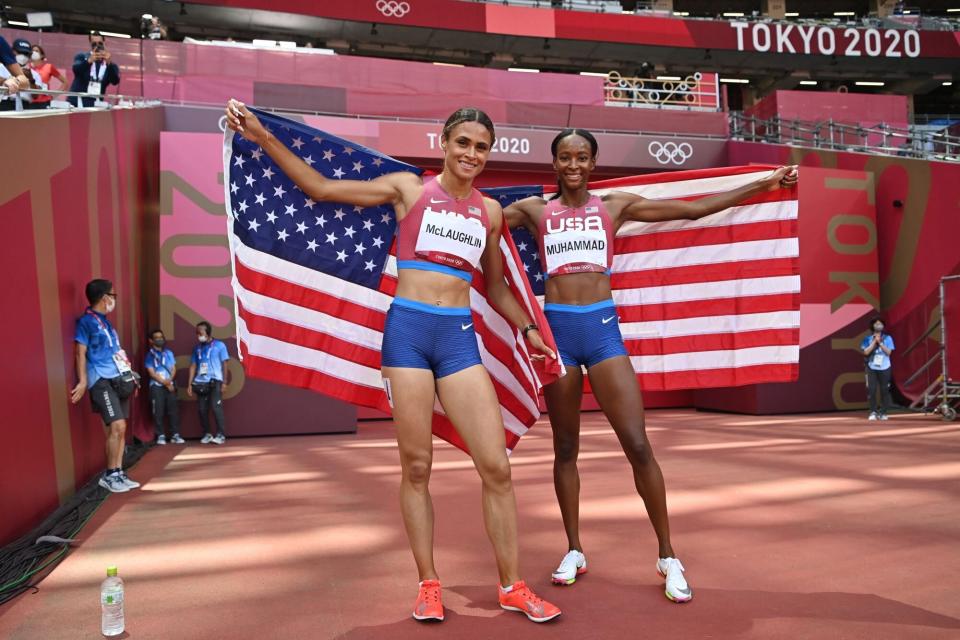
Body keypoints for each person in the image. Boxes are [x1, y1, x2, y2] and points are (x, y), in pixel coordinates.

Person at [225, 99, 563, 623]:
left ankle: (511, 585)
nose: (471, 154)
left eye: (481, 147)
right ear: (444, 144)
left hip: (457, 339)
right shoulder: (410, 190)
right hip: (406, 334)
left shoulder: (490, 212)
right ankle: (429, 583)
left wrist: (528, 330)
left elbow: (495, 285)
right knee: (417, 465)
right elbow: (321, 188)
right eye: (463, 143)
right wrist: (264, 135)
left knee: (495, 466)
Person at [504, 128, 798, 603]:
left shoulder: (614, 207)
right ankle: (575, 549)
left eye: (581, 157)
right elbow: (472, 217)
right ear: (554, 163)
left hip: (601, 332)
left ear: (593, 163)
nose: (573, 165)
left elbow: (694, 209)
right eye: (565, 157)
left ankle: (668, 555)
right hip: (557, 335)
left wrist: (762, 186)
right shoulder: (534, 211)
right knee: (564, 448)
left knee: (638, 445)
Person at [69, 279, 142, 493]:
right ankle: (109, 475)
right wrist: (83, 381)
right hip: (100, 379)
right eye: (113, 295)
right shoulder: (86, 322)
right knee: (117, 426)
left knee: (121, 428)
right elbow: (79, 352)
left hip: (117, 379)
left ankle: (118, 472)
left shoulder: (106, 323)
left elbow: (116, 353)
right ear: (104, 298)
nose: (114, 299)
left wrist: (130, 374)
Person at [187, 321, 230, 445]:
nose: (198, 335)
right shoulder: (197, 348)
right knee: (201, 409)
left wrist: (224, 382)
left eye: (200, 333)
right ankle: (207, 433)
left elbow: (225, 364)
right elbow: (193, 365)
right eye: (197, 333)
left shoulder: (220, 345)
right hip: (201, 382)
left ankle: (221, 434)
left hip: (215, 381)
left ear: (208, 332)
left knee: (216, 408)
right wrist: (190, 383)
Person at [145, 328, 184, 445]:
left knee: (173, 410)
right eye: (156, 338)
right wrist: (165, 383)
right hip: (157, 386)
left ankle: (175, 434)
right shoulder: (149, 355)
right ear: (151, 340)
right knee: (158, 411)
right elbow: (151, 373)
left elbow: (173, 368)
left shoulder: (169, 353)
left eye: (161, 337)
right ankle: (160, 435)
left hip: (169, 384)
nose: (160, 340)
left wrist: (170, 380)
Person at [68, 31, 120, 108]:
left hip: (96, 105)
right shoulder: (82, 57)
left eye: (100, 43)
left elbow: (115, 81)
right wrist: (89, 61)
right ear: (90, 43)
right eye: (94, 44)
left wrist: (109, 64)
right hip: (76, 102)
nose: (97, 46)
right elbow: (76, 70)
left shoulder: (110, 64)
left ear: (104, 43)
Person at [861, 317, 895, 421]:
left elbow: (889, 352)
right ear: (872, 326)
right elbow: (865, 352)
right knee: (872, 390)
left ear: (883, 326)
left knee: (884, 390)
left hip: (885, 367)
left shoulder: (888, 338)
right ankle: (873, 411)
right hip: (871, 367)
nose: (878, 326)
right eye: (876, 324)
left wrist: (880, 343)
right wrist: (874, 342)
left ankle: (883, 412)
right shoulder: (867, 339)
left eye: (880, 324)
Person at [0, 38, 44, 112]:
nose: (22, 56)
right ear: (12, 51)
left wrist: (31, 79)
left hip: (24, 104)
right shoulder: (1, 67)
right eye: (20, 52)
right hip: (4, 103)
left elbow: (36, 96)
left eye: (26, 54)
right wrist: (5, 81)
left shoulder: (34, 74)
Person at [27, 44, 68, 109]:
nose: (34, 53)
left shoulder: (49, 67)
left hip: (44, 102)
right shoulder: (27, 67)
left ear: (42, 55)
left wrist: (54, 95)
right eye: (32, 51)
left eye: (37, 51)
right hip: (30, 101)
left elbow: (65, 82)